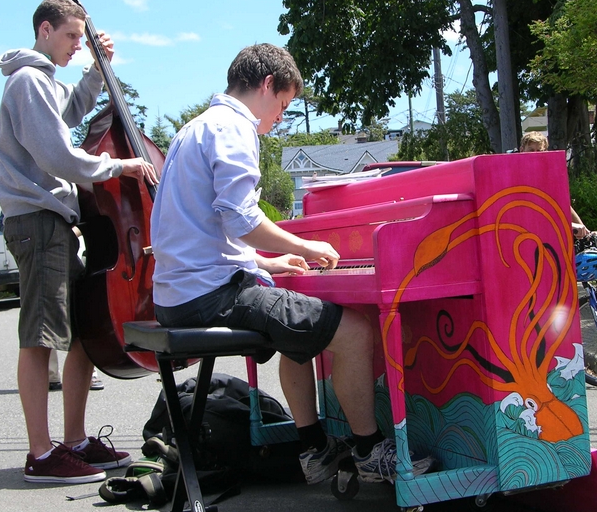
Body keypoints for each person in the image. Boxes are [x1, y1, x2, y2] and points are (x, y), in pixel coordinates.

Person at [150, 43, 433, 485]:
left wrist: (268, 261)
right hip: (206, 297)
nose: (280, 118)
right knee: (355, 332)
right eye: (282, 105)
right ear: (267, 86)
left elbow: (206, 230)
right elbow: (241, 218)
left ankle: (315, 449)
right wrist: (305, 247)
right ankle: (368, 453)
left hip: (183, 293)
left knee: (295, 330)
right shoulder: (234, 128)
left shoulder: (196, 128)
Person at [0, 0, 158, 484]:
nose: (75, 46)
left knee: (81, 331)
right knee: (41, 337)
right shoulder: (27, 81)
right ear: (44, 31)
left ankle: (76, 440)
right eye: (70, 37)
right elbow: (58, 155)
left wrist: (97, 69)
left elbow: (72, 110)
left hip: (54, 223)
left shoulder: (44, 83)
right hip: (38, 221)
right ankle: (41, 455)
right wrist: (120, 165)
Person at [519, 131, 597, 240]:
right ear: (522, 150)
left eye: (539, 151)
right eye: (531, 150)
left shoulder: (547, 176)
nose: (535, 154)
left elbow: (562, 204)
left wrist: (586, 232)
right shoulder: (513, 174)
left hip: (546, 238)